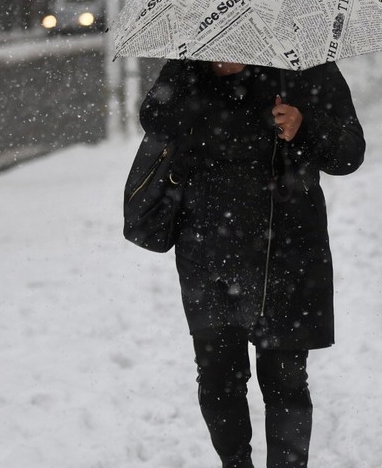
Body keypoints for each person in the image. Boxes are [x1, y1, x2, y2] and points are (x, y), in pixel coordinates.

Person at [138, 58, 366, 468]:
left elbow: (350, 152)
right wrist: (204, 83)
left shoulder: (304, 64)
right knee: (218, 381)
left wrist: (304, 126)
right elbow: (154, 118)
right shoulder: (192, 61)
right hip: (208, 250)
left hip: (288, 250)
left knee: (286, 382)